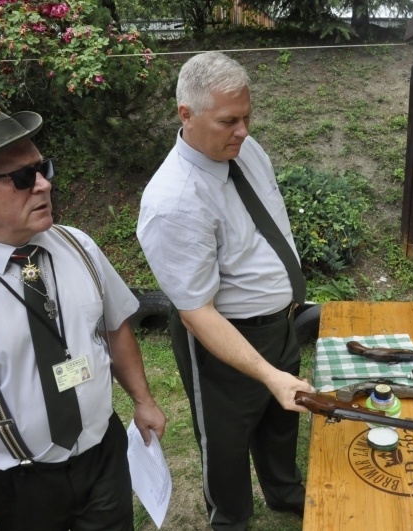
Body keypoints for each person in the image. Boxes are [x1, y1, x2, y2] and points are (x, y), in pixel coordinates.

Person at [0, 81, 167, 531]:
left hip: (104, 457)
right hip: (15, 488)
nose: (43, 185)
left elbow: (116, 326)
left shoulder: (78, 246)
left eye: (43, 168)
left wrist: (143, 398)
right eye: (21, 177)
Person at [136, 51, 315, 531]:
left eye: (247, 117)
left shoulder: (245, 151)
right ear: (186, 115)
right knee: (226, 441)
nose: (242, 130)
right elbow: (198, 313)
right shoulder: (174, 201)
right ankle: (230, 519)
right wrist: (266, 373)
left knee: (281, 422)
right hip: (222, 338)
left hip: (278, 323)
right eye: (228, 121)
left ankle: (283, 492)